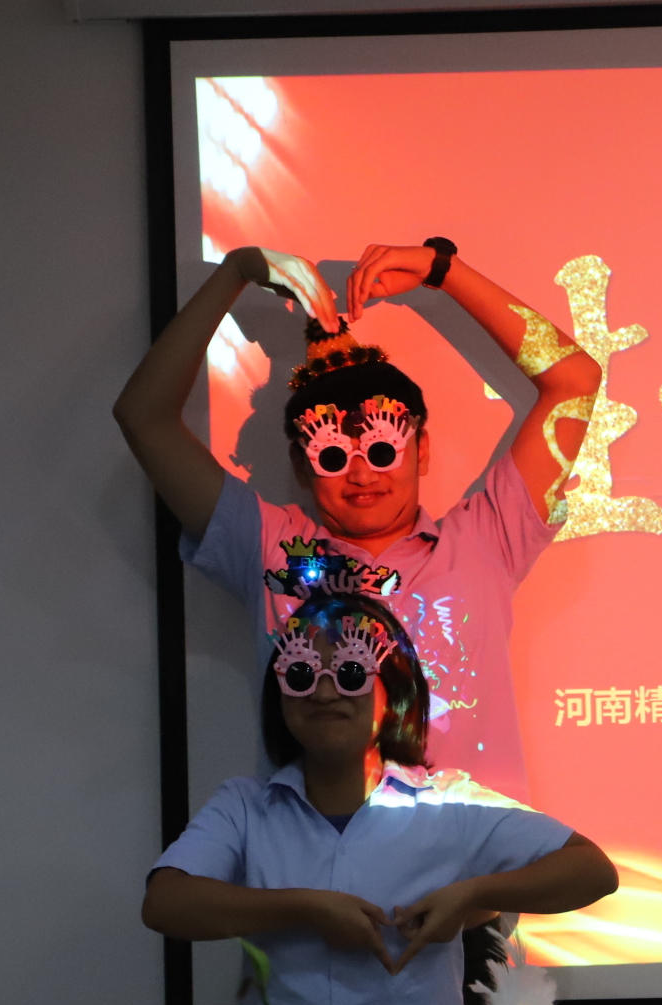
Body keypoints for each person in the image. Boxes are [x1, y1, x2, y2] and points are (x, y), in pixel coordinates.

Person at [142, 589, 617, 1005]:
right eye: (301, 674)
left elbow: (592, 869)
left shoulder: (449, 804)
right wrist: (306, 909)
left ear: (394, 688)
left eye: (349, 673)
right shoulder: (245, 807)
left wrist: (475, 897)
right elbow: (166, 902)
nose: (323, 692)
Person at [114, 238, 603, 802]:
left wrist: (445, 271)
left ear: (421, 450)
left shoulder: (488, 536)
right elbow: (143, 417)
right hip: (315, 853)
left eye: (382, 450)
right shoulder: (270, 547)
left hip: (474, 851)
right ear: (302, 465)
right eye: (332, 456)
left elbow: (576, 380)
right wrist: (234, 273)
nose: (362, 474)